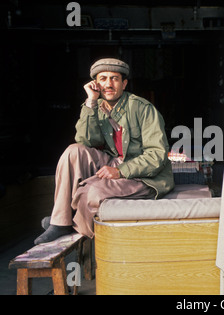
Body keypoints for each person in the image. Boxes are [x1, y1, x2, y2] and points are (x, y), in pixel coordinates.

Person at [34, 58, 174, 245]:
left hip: (145, 176)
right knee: (72, 152)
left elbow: (157, 155)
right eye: (103, 78)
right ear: (96, 84)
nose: (108, 84)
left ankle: (72, 225)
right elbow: (85, 141)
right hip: (115, 162)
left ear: (124, 84)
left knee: (91, 191)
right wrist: (90, 103)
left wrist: (120, 171)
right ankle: (60, 222)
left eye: (114, 79)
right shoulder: (97, 106)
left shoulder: (142, 108)